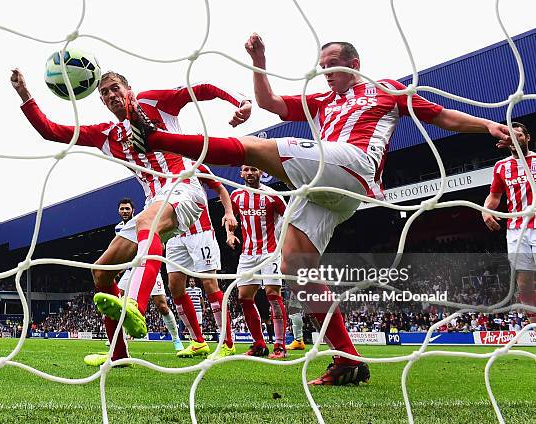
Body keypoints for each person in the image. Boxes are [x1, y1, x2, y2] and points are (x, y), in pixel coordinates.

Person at [121, 34, 517, 385]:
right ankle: (347, 358)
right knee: (295, 268)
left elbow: (440, 115)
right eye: (322, 67)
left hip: (356, 164)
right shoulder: (322, 100)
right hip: (325, 186)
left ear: (354, 64)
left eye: (332, 66)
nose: (326, 73)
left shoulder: (387, 90)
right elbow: (269, 102)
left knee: (258, 149)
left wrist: (488, 125)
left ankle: (155, 138)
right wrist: (260, 62)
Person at [10, 68, 252, 363]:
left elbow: (201, 88)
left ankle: (135, 304)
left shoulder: (153, 104)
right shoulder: (107, 135)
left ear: (129, 90)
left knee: (149, 224)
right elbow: (51, 131)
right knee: (100, 272)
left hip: (184, 188)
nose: (111, 95)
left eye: (115, 89)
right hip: (155, 200)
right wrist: (25, 95)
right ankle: (118, 353)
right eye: (104, 93)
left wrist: (240, 101)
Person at [167, 168, 238, 359]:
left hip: (201, 234)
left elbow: (220, 189)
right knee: (175, 288)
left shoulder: (194, 165)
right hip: (174, 237)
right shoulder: (157, 169)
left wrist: (229, 212)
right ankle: (198, 341)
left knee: (209, 283)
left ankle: (227, 343)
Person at [226, 165, 288, 359]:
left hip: (270, 252)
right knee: (244, 298)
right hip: (247, 254)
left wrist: (285, 245)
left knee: (272, 295)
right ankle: (259, 343)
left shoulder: (273, 196)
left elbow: (288, 219)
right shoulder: (236, 196)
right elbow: (230, 217)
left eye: (254, 169)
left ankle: (279, 345)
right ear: (241, 173)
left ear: (261, 172)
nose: (250, 173)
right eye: (246, 170)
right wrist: (230, 234)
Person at [482, 122, 536, 324]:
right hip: (515, 229)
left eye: (519, 135)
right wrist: (486, 211)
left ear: (527, 138)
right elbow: (494, 196)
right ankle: (534, 327)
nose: (515, 139)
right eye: (511, 136)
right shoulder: (501, 167)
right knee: (524, 283)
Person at [114, 198, 183, 352]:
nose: (125, 211)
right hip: (130, 270)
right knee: (118, 302)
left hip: (148, 267)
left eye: (127, 209)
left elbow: (160, 242)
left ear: (133, 210)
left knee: (162, 305)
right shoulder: (118, 228)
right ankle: (119, 339)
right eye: (122, 209)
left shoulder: (143, 221)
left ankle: (176, 338)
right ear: (118, 211)